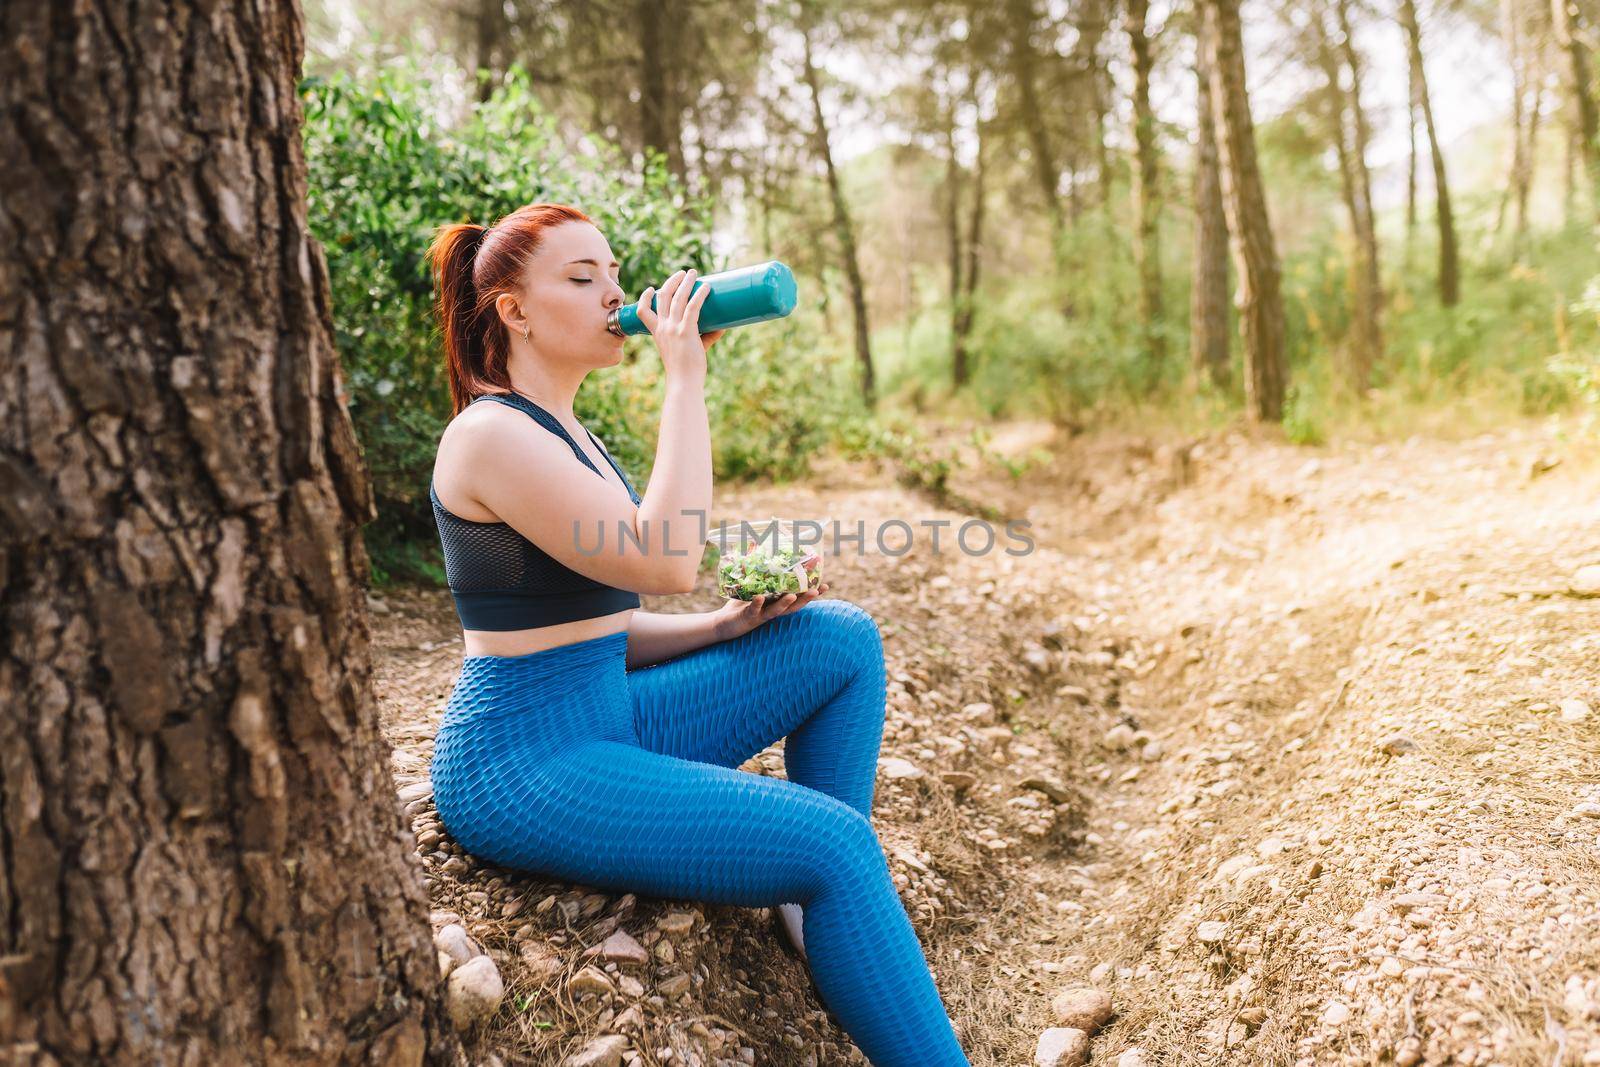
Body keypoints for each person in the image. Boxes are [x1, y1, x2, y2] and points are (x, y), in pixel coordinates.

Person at [422, 202, 969, 1065]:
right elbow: (665, 556)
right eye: (581, 277)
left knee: (839, 640)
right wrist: (684, 381)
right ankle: (829, 884)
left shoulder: (566, 429)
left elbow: (590, 625)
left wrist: (726, 623)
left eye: (611, 271)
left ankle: (816, 911)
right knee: (835, 840)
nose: (614, 292)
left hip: (608, 713)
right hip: (525, 762)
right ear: (514, 311)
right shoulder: (489, 434)